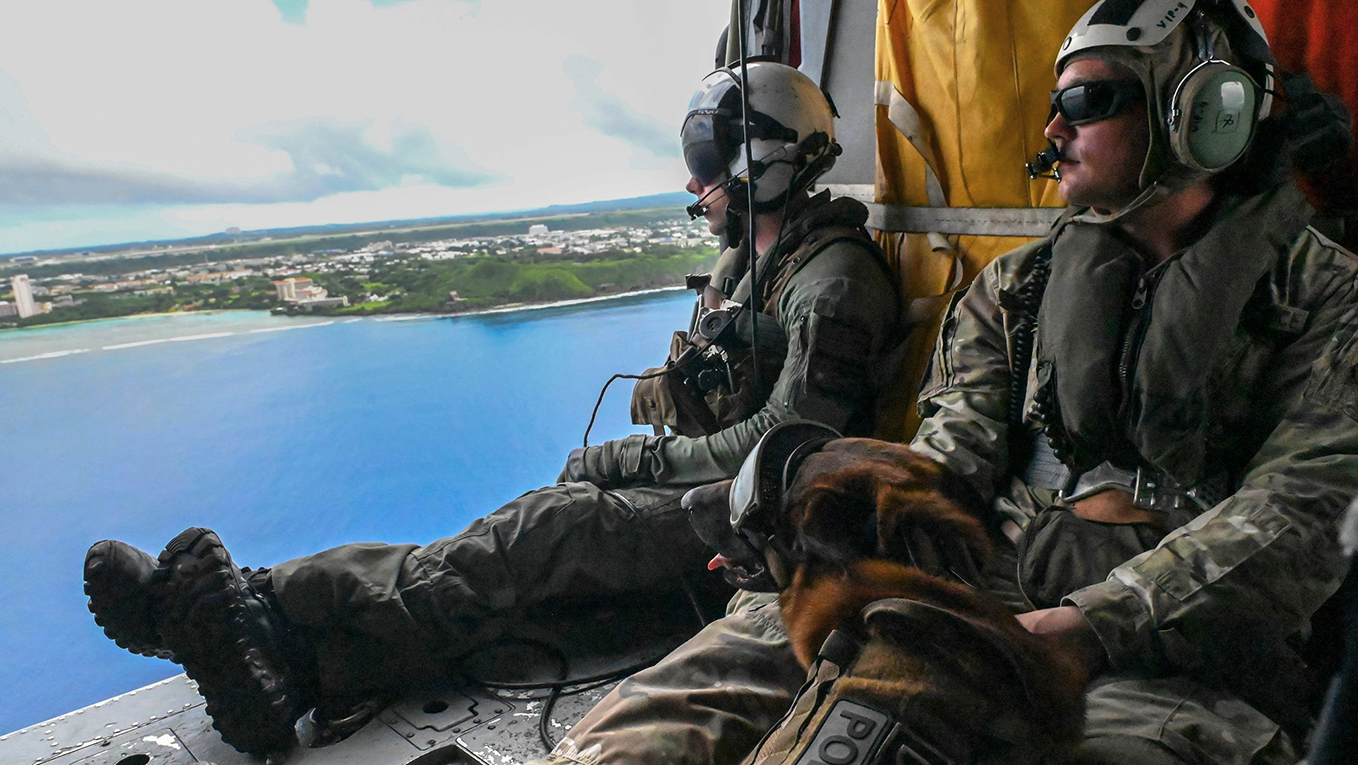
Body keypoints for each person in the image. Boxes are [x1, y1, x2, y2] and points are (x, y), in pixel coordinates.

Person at [534, 1, 1358, 763]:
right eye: (1052, 105)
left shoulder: (1328, 301)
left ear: (1204, 114)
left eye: (1085, 104)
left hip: (1173, 650)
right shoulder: (1013, 289)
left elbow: (1299, 516)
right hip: (975, 576)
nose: (1051, 128)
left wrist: (1088, 626)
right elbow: (952, 452)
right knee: (704, 680)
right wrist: (840, 515)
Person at [82, 61, 900, 757]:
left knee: (541, 530)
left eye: (706, 158)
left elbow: (792, 442)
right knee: (511, 542)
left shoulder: (834, 281)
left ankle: (256, 621)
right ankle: (263, 624)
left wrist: (625, 460)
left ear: (762, 157)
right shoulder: (750, 267)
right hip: (710, 498)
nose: (693, 179)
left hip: (765, 523)